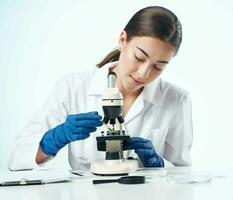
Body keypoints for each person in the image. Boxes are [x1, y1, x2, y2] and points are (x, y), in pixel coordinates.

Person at [8, 6, 193, 171]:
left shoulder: (176, 100)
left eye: (158, 66)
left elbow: (183, 173)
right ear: (123, 40)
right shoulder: (72, 88)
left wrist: (159, 165)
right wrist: (54, 138)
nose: (144, 73)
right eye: (139, 57)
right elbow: (17, 158)